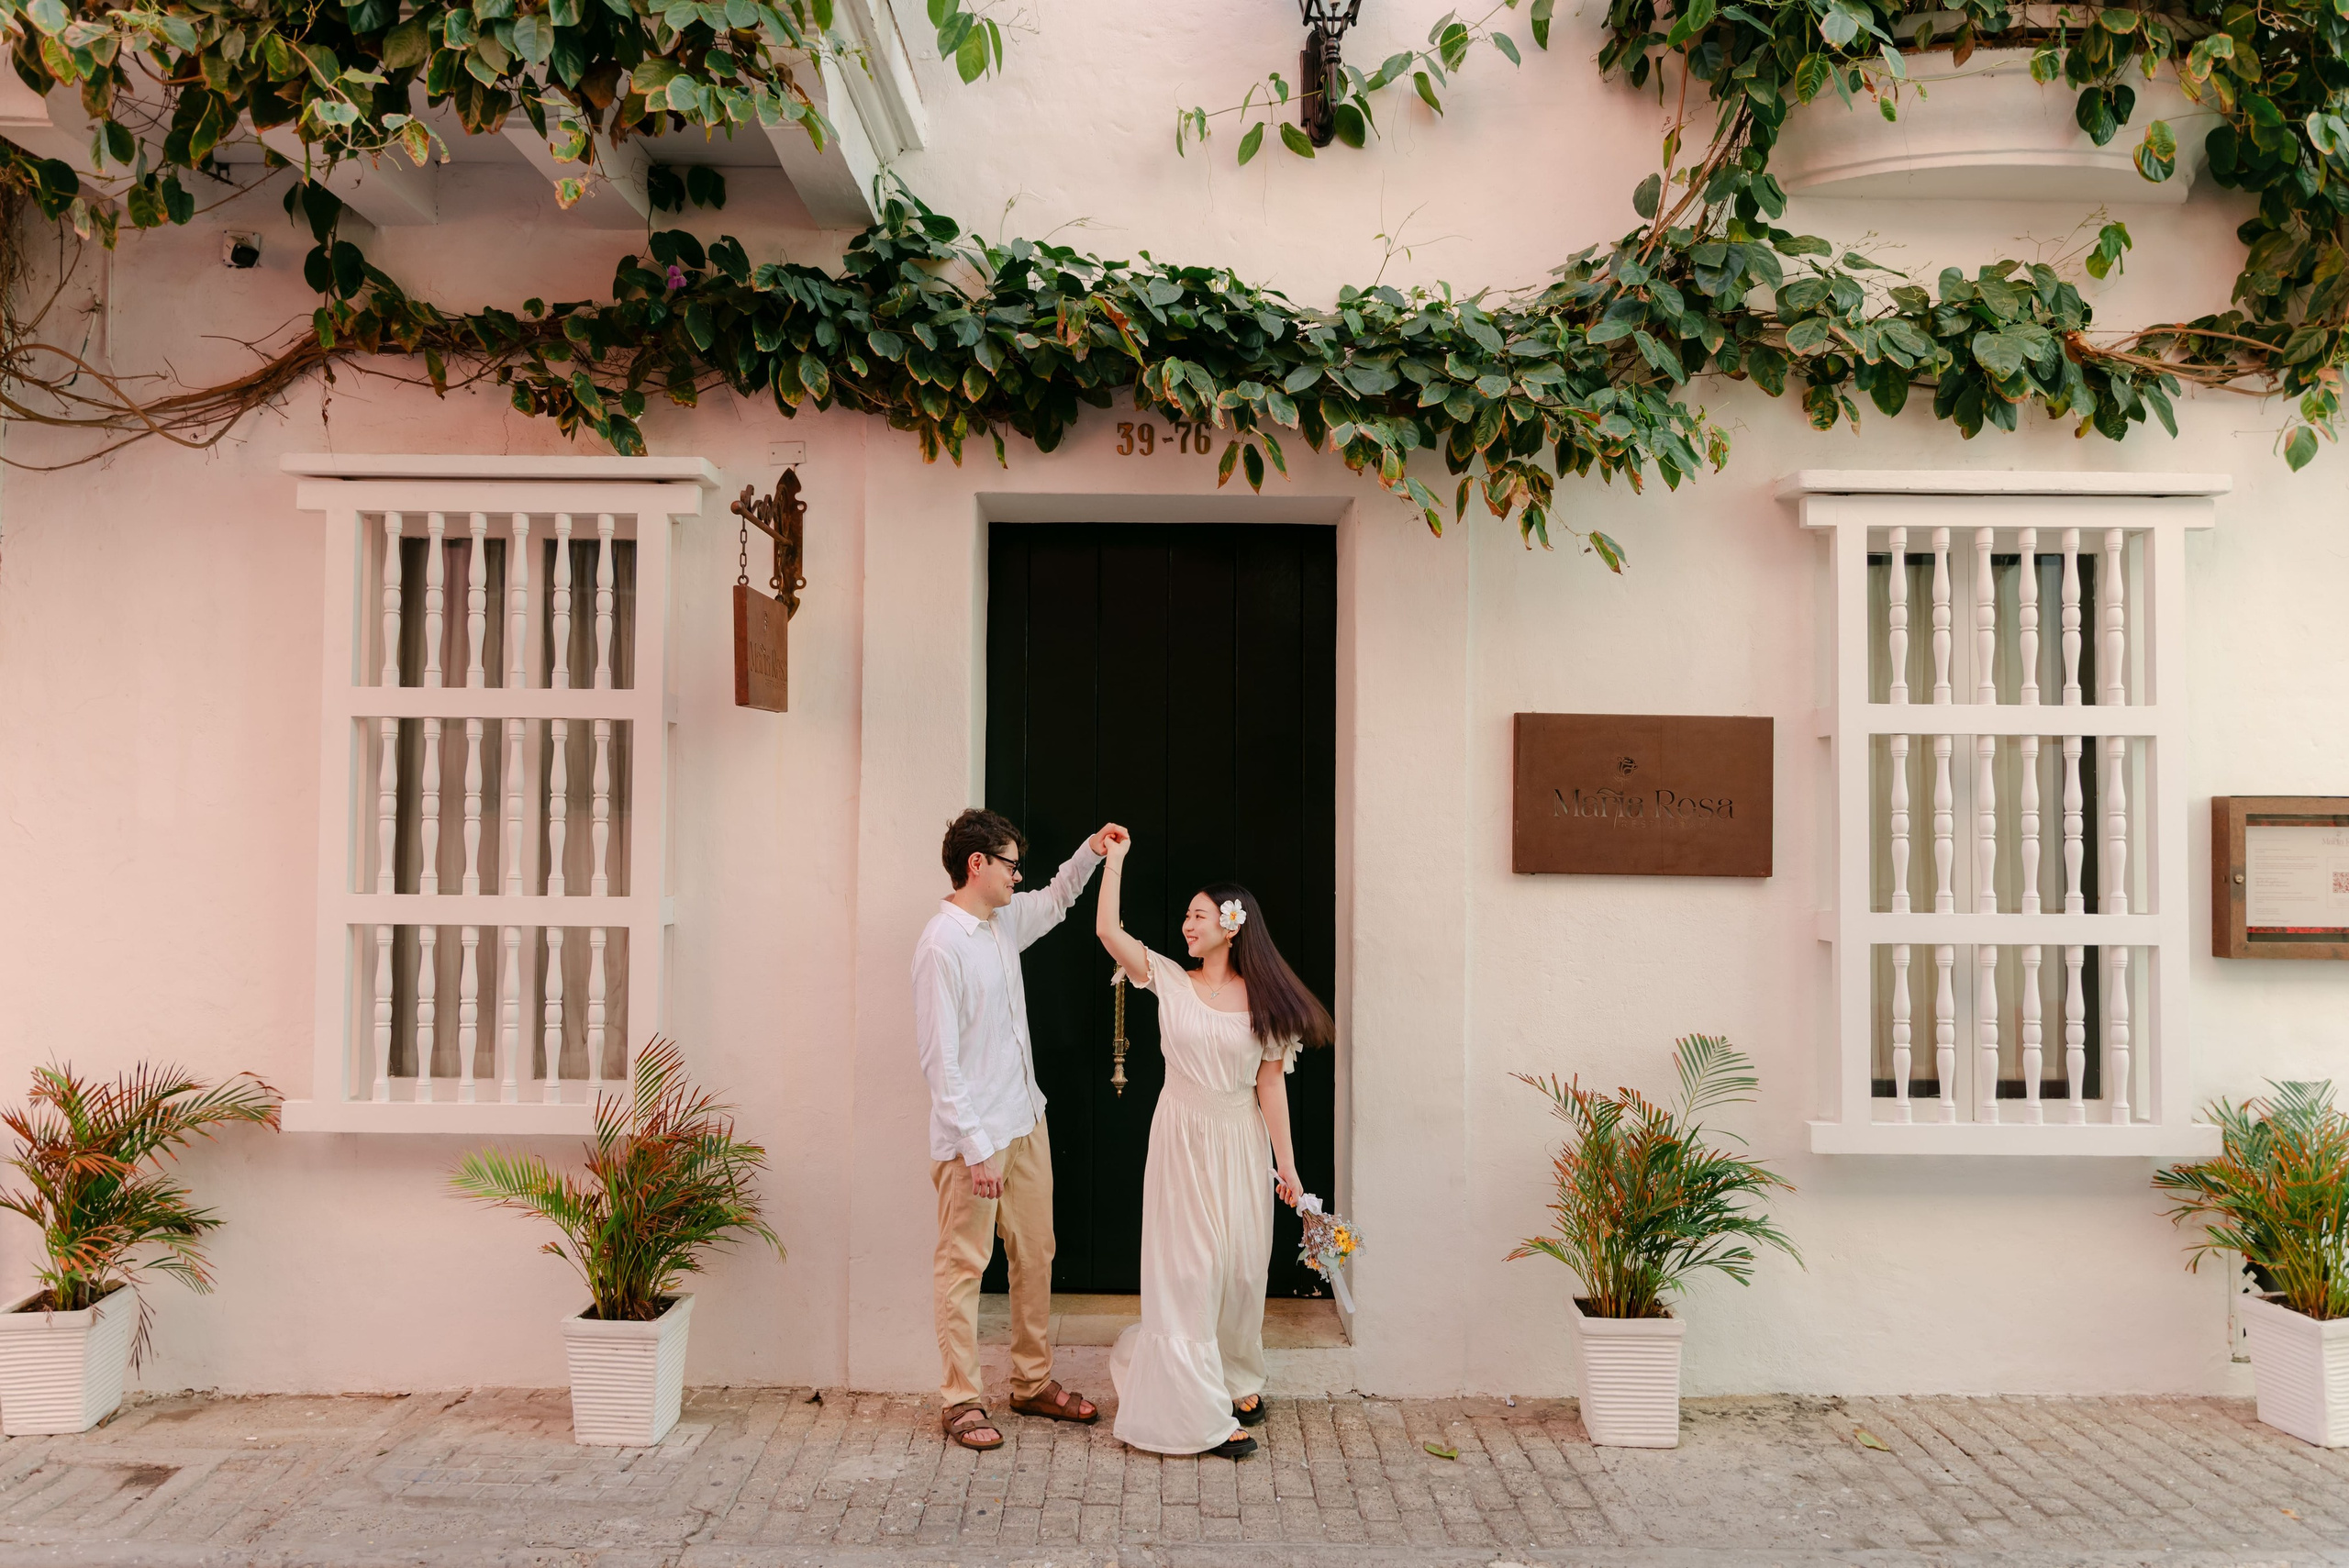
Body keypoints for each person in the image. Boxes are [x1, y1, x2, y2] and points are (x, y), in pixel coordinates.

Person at [1093, 836, 1335, 1459]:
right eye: (1187, 915)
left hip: (1239, 1138)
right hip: (1182, 1136)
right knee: (1192, 1271)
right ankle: (1196, 1408)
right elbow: (1108, 933)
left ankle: (1235, 1376)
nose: (1186, 925)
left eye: (1198, 915)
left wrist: (1287, 1167)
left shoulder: (1267, 1000)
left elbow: (1270, 1084)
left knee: (1242, 1267)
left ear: (1231, 925)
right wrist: (1113, 862)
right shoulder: (1170, 979)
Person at [915, 807, 1129, 1452]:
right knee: (963, 1266)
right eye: (1009, 863)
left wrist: (1091, 850)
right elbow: (939, 1061)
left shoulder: (1002, 921)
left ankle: (1031, 1382)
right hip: (972, 1140)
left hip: (1025, 1119)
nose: (1018, 875)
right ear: (976, 864)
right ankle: (960, 1399)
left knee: (1036, 1254)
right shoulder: (940, 945)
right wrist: (978, 1149)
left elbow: (1060, 895)